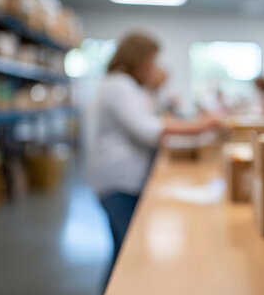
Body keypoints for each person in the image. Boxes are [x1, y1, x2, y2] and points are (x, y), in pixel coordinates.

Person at [87, 32, 220, 291]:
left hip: (125, 177)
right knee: (125, 256)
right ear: (139, 57)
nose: (153, 66)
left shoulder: (130, 86)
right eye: (151, 59)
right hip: (118, 180)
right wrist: (204, 125)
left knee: (121, 252)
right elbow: (147, 128)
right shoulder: (119, 85)